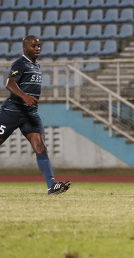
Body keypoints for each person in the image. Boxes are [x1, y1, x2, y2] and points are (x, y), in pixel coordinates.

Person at [0, 35, 70, 194]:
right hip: (12, 112)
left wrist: (32, 101)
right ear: (25, 48)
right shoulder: (20, 63)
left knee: (40, 147)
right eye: (34, 46)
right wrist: (25, 97)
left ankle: (52, 185)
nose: (37, 48)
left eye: (39, 46)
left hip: (30, 114)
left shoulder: (37, 65)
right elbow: (9, 84)